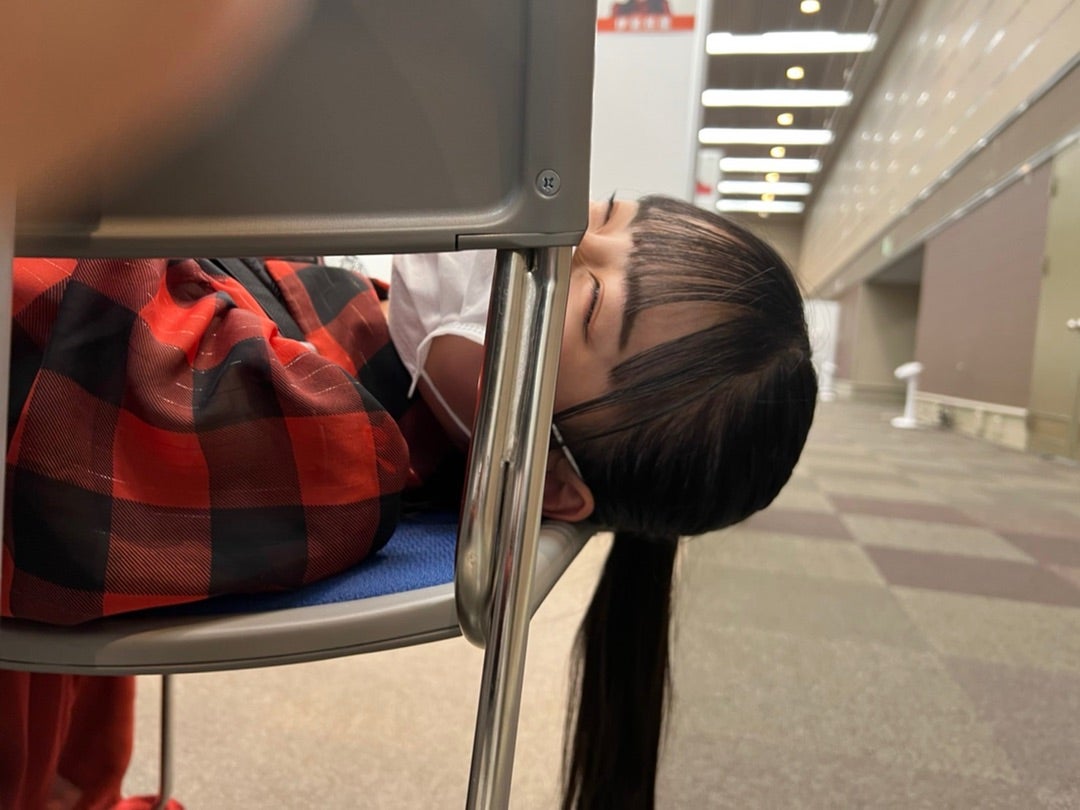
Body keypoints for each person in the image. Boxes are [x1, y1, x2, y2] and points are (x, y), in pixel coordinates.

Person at [1, 194, 817, 809]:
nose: (554, 240)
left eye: (584, 296)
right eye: (595, 215)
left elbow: (42, 329)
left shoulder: (338, 451)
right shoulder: (381, 327)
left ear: (549, 481)